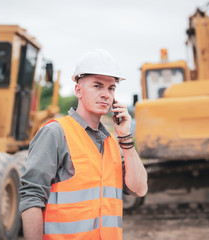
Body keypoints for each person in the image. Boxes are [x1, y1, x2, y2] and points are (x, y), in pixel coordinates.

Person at [19, 49, 148, 240]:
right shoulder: (56, 133)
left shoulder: (113, 142)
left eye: (111, 88)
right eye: (97, 86)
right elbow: (31, 197)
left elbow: (139, 189)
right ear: (78, 90)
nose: (106, 94)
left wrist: (126, 138)